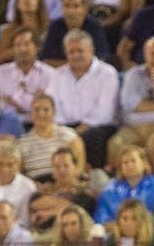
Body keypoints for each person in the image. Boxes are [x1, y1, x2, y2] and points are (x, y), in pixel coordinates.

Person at [45, 29, 120, 171]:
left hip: (98, 127)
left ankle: (93, 175)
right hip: (65, 126)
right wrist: (64, 130)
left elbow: (105, 112)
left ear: (91, 50)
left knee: (93, 137)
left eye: (80, 51)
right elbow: (52, 106)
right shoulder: (57, 75)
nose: (75, 56)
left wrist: (76, 132)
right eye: (71, 52)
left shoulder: (107, 73)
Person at [0, 27, 53, 122]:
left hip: (38, 124)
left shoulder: (50, 74)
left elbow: (47, 107)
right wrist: (34, 100)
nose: (22, 49)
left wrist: (13, 103)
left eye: (27, 44)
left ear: (37, 47)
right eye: (18, 45)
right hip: (6, 124)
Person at [16, 93, 84, 181]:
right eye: (36, 110)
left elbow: (80, 166)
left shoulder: (69, 135)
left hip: (66, 185)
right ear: (31, 113)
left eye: (46, 110)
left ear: (54, 112)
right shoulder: (21, 143)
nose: (41, 113)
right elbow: (19, 174)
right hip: (37, 188)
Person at [39, 0, 111, 67]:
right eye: (67, 6)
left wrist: (72, 66)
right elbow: (48, 61)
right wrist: (77, 66)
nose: (71, 11)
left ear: (84, 8)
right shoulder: (55, 26)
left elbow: (100, 59)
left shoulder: (95, 27)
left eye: (76, 6)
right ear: (62, 8)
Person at [94, 145, 154, 226]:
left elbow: (150, 214)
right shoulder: (110, 189)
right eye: (125, 163)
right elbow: (101, 218)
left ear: (144, 163)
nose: (129, 165)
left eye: (133, 161)